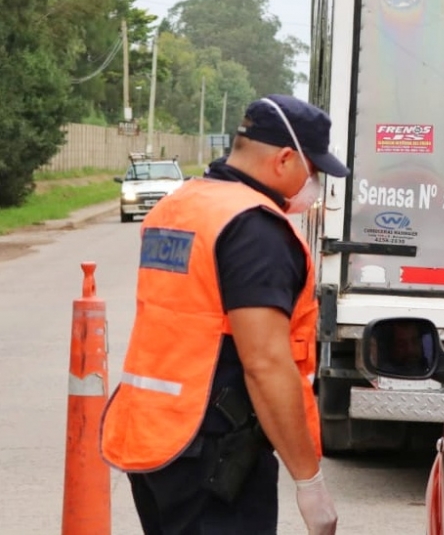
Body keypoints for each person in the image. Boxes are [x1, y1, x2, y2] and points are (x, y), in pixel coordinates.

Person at [100, 94, 349, 534]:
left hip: (154, 439)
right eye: (312, 170)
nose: (312, 184)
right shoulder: (254, 230)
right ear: (284, 159)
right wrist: (309, 483)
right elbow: (265, 363)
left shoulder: (178, 206)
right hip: (215, 455)